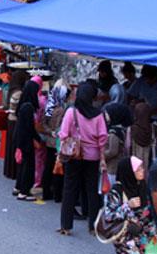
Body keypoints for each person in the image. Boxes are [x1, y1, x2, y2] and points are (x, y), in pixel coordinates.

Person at [100, 157, 157, 254]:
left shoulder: (142, 186)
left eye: (142, 168)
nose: (142, 171)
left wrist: (153, 236)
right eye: (138, 169)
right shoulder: (116, 191)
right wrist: (127, 205)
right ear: (129, 172)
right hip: (124, 236)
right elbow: (109, 215)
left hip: (141, 233)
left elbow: (146, 213)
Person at [58, 82, 108, 236]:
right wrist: (102, 158)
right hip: (92, 157)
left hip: (74, 156)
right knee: (92, 191)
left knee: (69, 189)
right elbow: (103, 138)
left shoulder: (71, 112)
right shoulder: (99, 115)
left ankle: (66, 225)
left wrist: (63, 151)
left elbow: (63, 134)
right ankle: (93, 226)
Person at [42, 79, 70, 202]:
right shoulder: (63, 110)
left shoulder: (50, 106)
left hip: (49, 140)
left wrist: (50, 132)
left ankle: (46, 191)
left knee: (48, 167)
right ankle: (57, 195)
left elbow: (44, 123)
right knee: (58, 169)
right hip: (59, 143)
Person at [4, 71, 30, 180]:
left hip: (10, 120)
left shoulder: (11, 90)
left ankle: (10, 170)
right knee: (15, 146)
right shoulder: (18, 93)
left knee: (11, 146)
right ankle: (14, 171)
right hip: (15, 121)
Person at [14, 102, 42, 201]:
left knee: (22, 168)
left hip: (22, 145)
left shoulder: (19, 125)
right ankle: (24, 192)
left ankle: (19, 188)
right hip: (28, 146)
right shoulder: (28, 127)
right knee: (28, 169)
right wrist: (38, 138)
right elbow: (32, 130)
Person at [102, 103, 133, 184]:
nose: (105, 115)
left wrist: (101, 156)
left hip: (112, 168)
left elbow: (112, 151)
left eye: (107, 113)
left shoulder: (114, 133)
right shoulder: (122, 130)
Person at [129, 103, 155, 167]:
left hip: (135, 164)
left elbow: (128, 146)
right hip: (150, 162)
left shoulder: (131, 129)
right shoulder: (154, 128)